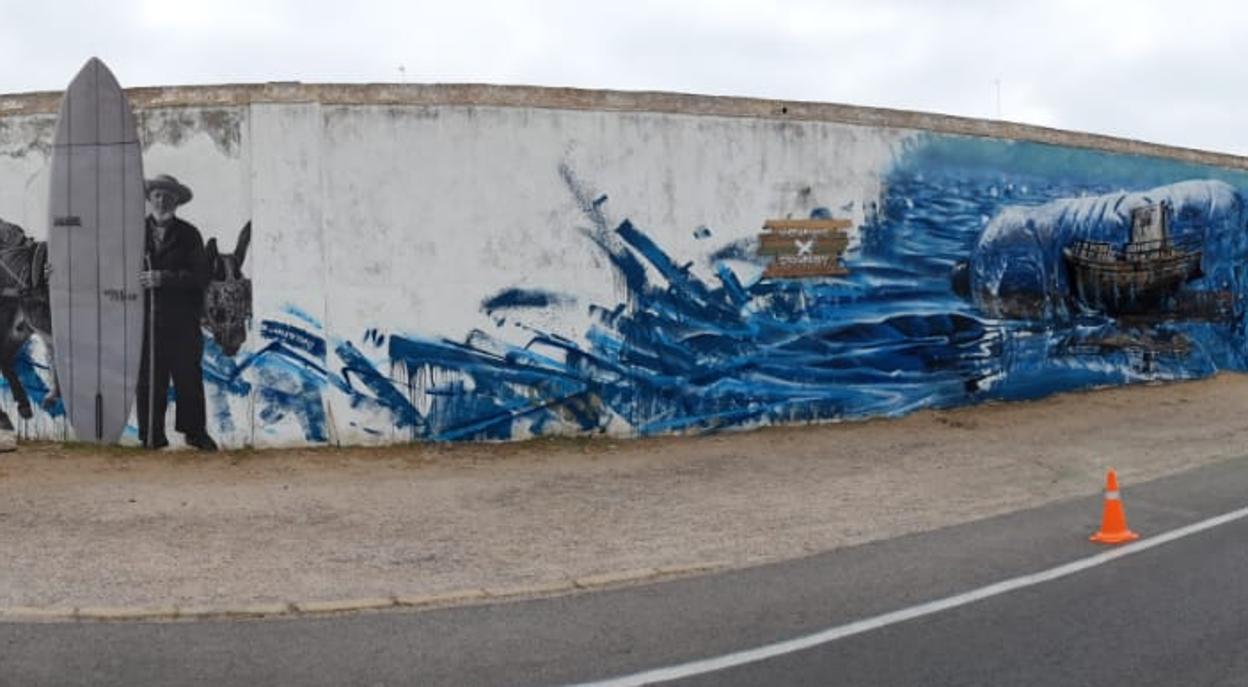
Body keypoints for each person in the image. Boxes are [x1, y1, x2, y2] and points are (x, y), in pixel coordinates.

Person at [137, 174, 217, 451]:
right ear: (149, 199)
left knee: (188, 378)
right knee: (149, 379)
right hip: (146, 320)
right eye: (157, 194)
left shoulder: (189, 234)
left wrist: (164, 278)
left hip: (183, 321)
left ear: (176, 202)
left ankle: (195, 433)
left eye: (168, 196)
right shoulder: (134, 232)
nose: (161, 200)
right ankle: (151, 435)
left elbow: (199, 277)